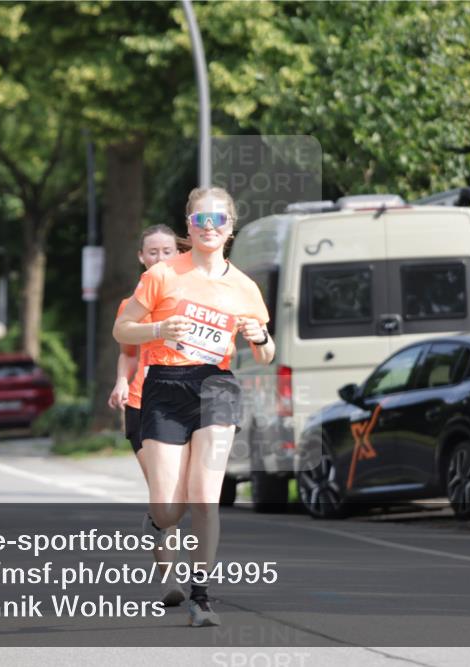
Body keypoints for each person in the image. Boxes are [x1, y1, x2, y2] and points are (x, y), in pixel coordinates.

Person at [113, 187, 275, 627]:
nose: (209, 227)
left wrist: (259, 338)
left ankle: (201, 596)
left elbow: (265, 352)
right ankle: (157, 520)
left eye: (218, 220)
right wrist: (160, 328)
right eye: (201, 220)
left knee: (205, 497)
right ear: (189, 225)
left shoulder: (243, 286)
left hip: (215, 386)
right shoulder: (163, 275)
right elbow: (123, 330)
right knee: (169, 508)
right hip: (164, 386)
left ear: (230, 227)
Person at [107, 224, 184, 606]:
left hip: (184, 403)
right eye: (152, 252)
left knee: (181, 494)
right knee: (164, 489)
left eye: (167, 251)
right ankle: (170, 579)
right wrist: (121, 382)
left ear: (178, 254)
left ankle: (155, 522)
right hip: (142, 403)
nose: (159, 258)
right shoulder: (131, 306)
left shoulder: (192, 298)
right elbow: (127, 353)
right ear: (141, 258)